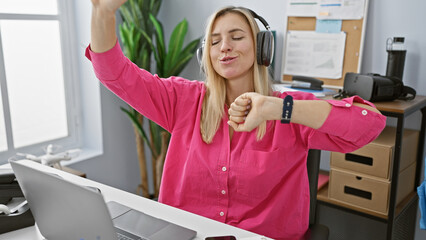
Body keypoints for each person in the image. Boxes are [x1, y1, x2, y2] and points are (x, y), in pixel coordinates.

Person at [87, 1, 387, 239]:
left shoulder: (288, 108)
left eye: (236, 37)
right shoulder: (182, 100)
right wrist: (103, 11)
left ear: (261, 47)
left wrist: (276, 109)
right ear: (206, 54)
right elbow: (113, 72)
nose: (224, 47)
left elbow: (369, 125)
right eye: (215, 42)